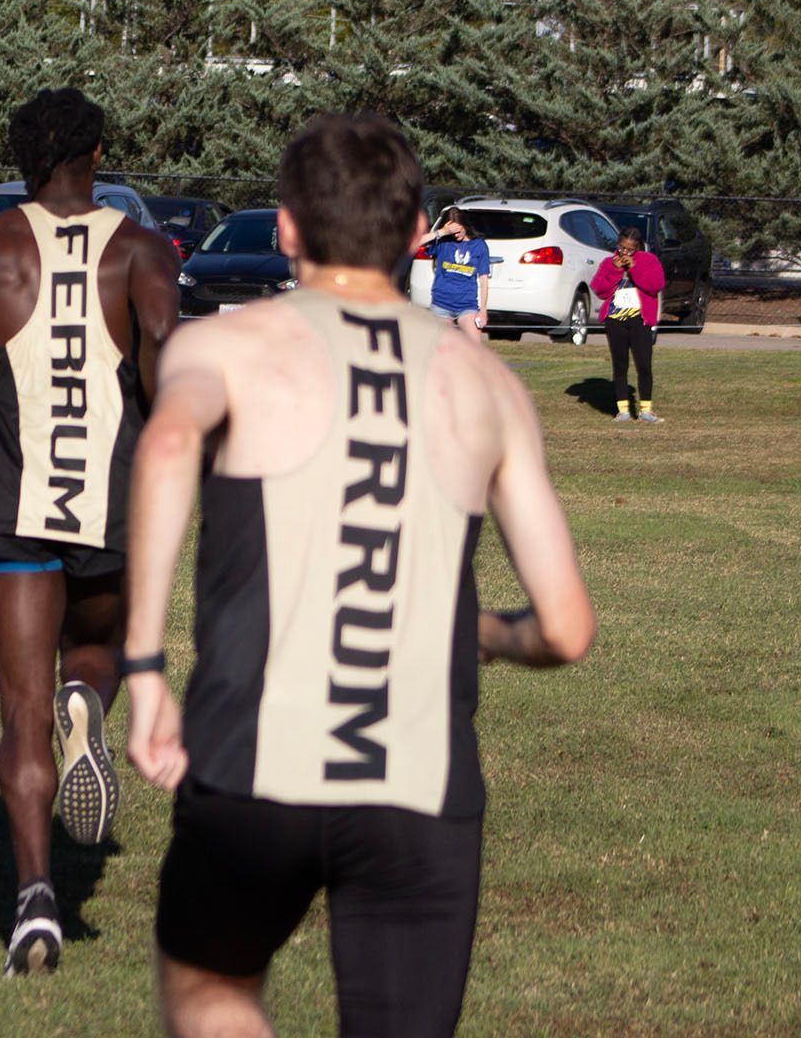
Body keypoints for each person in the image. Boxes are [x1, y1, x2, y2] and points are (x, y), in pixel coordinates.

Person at [121, 114, 595, 1036]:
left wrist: (143, 669)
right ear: (418, 231)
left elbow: (170, 439)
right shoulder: (490, 383)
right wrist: (487, 634)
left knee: (210, 992)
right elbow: (568, 628)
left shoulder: (225, 345)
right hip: (420, 792)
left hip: (253, 770)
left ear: (288, 228)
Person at [0, 87, 181, 976]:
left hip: (11, 502)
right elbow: (161, 344)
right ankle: (92, 707)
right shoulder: (143, 247)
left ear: (21, 157)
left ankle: (34, 903)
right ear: (98, 153)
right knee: (99, 651)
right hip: (114, 507)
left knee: (18, 712)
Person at [591, 226, 666, 423]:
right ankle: (623, 410)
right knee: (620, 364)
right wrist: (615, 271)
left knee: (644, 365)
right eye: (622, 248)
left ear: (638, 248)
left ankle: (646, 410)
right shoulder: (609, 263)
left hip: (639, 320)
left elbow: (655, 285)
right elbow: (599, 288)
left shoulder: (649, 261)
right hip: (615, 320)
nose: (624, 253)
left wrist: (634, 267)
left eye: (630, 249)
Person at [422, 207, 489, 338]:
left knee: (474, 348)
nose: (456, 235)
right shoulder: (443, 242)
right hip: (441, 304)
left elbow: (484, 279)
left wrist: (483, 310)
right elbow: (413, 243)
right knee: (443, 347)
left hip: (467, 304)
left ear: (465, 225)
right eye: (452, 232)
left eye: (458, 230)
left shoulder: (479, 245)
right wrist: (440, 232)